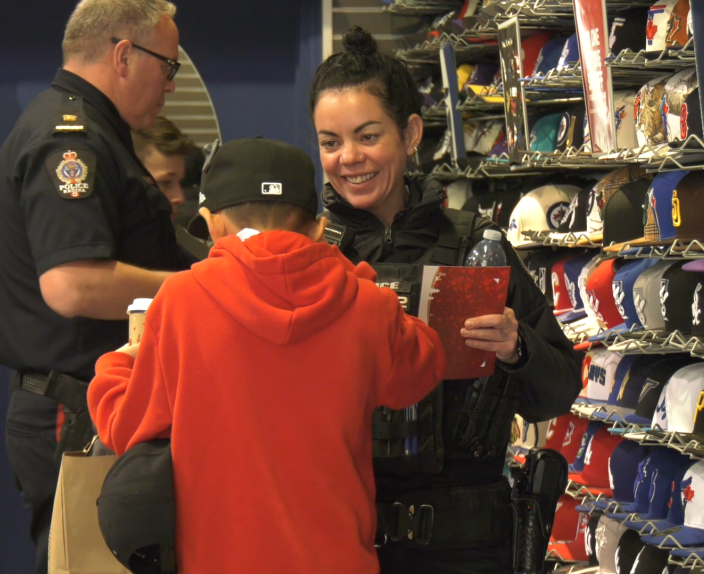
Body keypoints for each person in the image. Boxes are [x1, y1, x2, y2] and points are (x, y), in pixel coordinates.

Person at [88, 137, 447, 573]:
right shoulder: (366, 305)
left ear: (212, 222)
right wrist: (352, 275)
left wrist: (117, 364)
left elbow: (125, 427)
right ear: (317, 227)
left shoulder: (181, 301)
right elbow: (425, 363)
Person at [309, 27, 581, 574]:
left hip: (467, 547)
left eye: (367, 136)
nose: (348, 159)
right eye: (330, 142)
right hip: (340, 542)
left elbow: (558, 391)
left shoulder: (477, 249)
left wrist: (517, 347)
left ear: (411, 134)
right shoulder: (307, 255)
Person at [0, 1, 191, 572]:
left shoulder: (92, 130)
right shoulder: (71, 139)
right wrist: (198, 293)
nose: (170, 86)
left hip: (87, 404)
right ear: (124, 55)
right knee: (88, 563)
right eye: (168, 67)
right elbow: (72, 285)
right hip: (74, 410)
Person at [132, 116, 210, 259]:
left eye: (181, 182)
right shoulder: (96, 253)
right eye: (165, 183)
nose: (179, 198)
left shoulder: (184, 251)